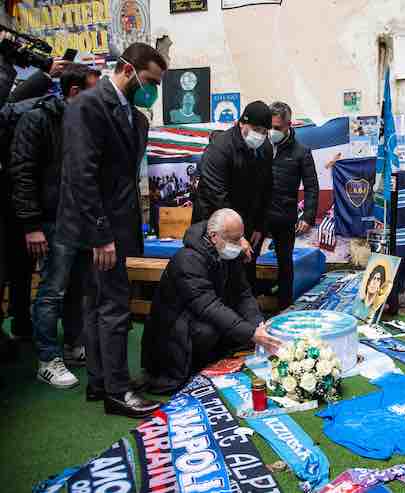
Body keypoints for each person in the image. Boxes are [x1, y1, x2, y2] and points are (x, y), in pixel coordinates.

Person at [56, 42, 167, 418]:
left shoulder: (136, 118)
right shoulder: (86, 106)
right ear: (126, 68)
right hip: (97, 228)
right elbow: (80, 175)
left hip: (115, 225)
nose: (151, 88)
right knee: (114, 307)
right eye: (149, 80)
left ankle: (101, 381)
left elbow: (122, 177)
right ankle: (118, 392)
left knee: (100, 303)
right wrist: (101, 234)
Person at [9, 64, 100, 388]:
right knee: (52, 291)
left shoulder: (84, 123)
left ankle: (74, 345)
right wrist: (31, 224)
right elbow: (21, 173)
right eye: (94, 91)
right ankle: (47, 358)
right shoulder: (37, 119)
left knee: (78, 288)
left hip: (79, 222)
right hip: (50, 222)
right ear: (74, 92)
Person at [141, 209, 282, 393]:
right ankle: (195, 367)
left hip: (198, 318)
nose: (239, 245)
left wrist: (258, 325)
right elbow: (209, 307)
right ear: (214, 236)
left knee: (240, 325)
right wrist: (251, 334)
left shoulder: (227, 252)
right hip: (172, 335)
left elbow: (243, 294)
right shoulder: (187, 260)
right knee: (212, 329)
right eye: (233, 240)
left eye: (240, 238)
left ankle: (212, 357)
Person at [192, 100, 274, 286]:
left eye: (264, 131)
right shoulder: (220, 148)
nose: (259, 135)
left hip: (247, 222)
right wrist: (237, 236)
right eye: (256, 128)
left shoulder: (265, 149)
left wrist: (260, 226)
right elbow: (216, 195)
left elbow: (267, 189)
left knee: (245, 276)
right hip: (215, 221)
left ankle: (246, 313)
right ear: (241, 123)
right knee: (217, 277)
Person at [259, 101, 319, 310]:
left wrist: (308, 217)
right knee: (247, 259)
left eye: (277, 128)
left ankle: (284, 308)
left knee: (285, 265)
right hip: (260, 216)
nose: (272, 132)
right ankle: (251, 307)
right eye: (270, 127)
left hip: (285, 217)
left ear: (288, 125)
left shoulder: (301, 151)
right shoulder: (260, 145)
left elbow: (312, 186)